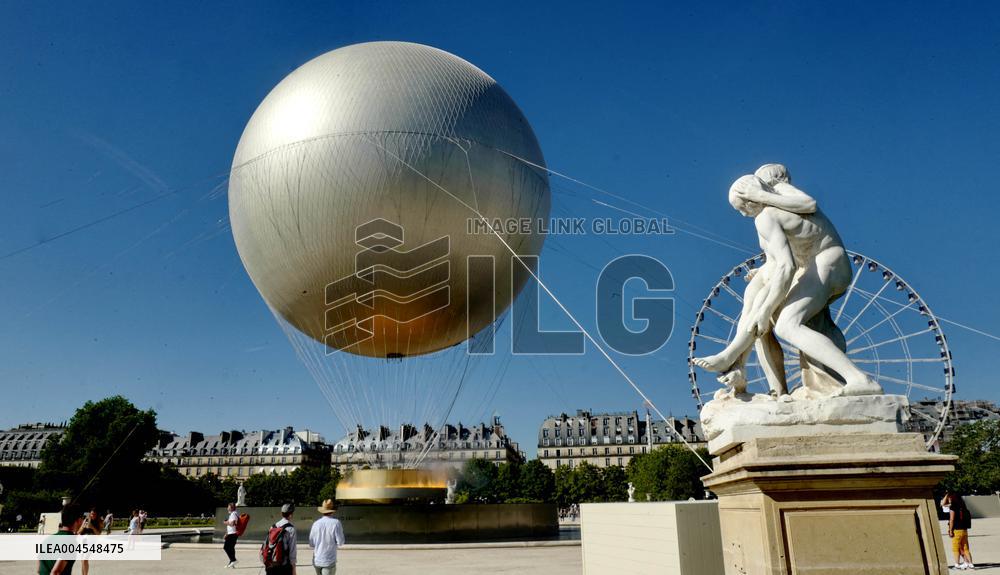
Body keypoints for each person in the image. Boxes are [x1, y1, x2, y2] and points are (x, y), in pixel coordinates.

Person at [694, 171, 883, 397]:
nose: (743, 214)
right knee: (756, 295)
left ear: (751, 197)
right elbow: (777, 262)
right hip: (818, 265)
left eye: (742, 207)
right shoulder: (772, 214)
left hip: (826, 263)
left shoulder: (769, 213)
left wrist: (765, 311)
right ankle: (750, 372)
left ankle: (860, 379)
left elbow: (787, 266)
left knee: (786, 325)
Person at [37, 503, 84, 575]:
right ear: (79, 520)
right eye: (82, 518)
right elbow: (56, 572)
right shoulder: (70, 542)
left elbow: (39, 569)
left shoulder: (48, 539)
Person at [309, 500, 345, 575]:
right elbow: (340, 542)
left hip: (317, 559)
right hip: (329, 560)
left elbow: (311, 543)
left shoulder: (316, 523)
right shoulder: (336, 523)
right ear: (332, 511)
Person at [263, 504, 297, 575]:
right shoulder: (291, 529)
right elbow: (292, 551)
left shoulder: (273, 527)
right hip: (284, 566)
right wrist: (293, 568)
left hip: (271, 565)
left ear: (282, 513)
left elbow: (266, 545)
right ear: (291, 515)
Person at [945, 492, 974, 570]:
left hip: (957, 530)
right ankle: (970, 564)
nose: (949, 499)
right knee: (965, 548)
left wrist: (950, 530)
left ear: (952, 498)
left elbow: (951, 520)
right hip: (964, 530)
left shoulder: (953, 507)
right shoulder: (963, 507)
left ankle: (957, 564)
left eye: (949, 498)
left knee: (955, 548)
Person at [223, 502, 240, 569]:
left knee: (226, 547)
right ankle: (232, 563)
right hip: (232, 533)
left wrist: (225, 522)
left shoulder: (233, 514)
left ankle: (233, 560)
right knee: (231, 548)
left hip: (232, 534)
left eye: (228, 506)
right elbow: (233, 525)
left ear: (231, 507)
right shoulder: (234, 513)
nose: (227, 508)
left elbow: (232, 524)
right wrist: (226, 533)